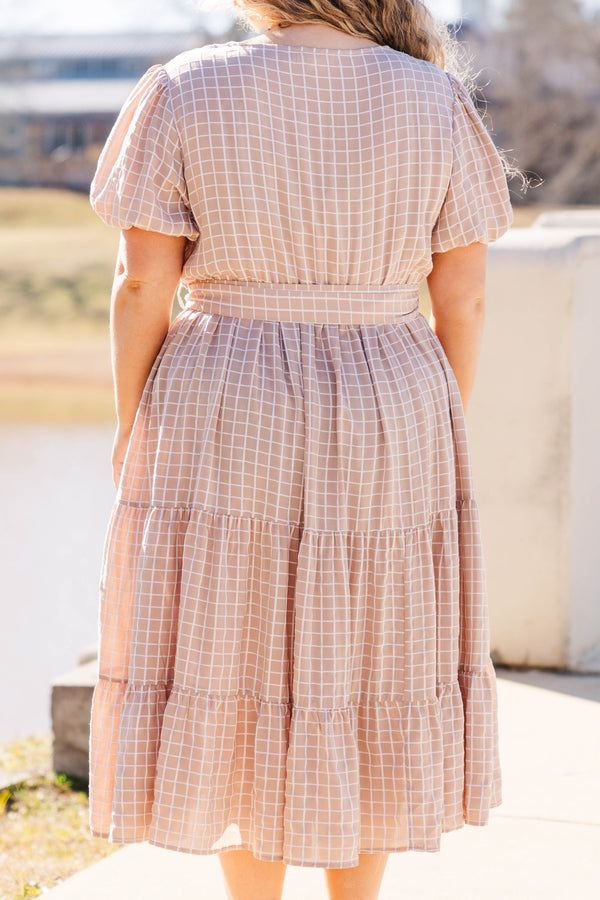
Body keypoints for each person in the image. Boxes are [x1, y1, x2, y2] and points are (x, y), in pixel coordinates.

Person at [87, 2, 517, 899]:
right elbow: (465, 296)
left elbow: (142, 283)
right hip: (390, 393)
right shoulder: (434, 97)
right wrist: (438, 419)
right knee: (376, 653)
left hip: (226, 390)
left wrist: (132, 421)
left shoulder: (186, 87)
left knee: (232, 647)